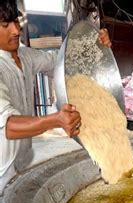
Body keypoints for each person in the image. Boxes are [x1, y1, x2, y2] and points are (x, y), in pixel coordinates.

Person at [0, 0, 111, 192]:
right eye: (5, 25)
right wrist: (56, 120)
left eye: (16, 22)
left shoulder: (26, 56)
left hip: (23, 162)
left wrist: (94, 43)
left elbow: (61, 60)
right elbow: (7, 125)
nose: (16, 31)